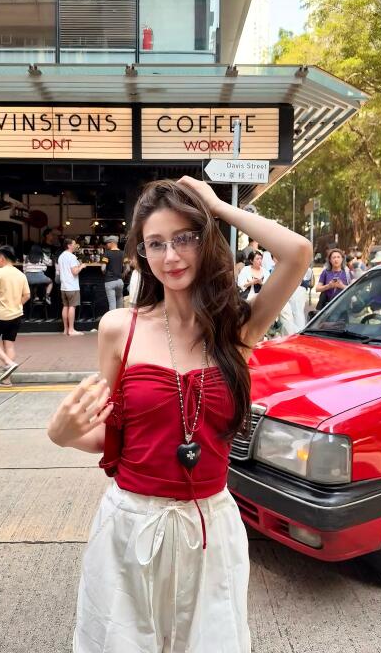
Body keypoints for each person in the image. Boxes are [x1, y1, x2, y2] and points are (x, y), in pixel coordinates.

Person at [47, 176, 312, 653]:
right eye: (156, 243)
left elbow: (297, 252)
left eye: (184, 238)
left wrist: (217, 207)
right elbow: (111, 434)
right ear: (142, 254)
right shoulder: (119, 329)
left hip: (210, 527)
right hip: (131, 523)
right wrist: (63, 435)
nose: (171, 256)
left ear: (205, 240)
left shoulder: (236, 329)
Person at [0, 245, 30, 384]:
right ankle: (6, 380)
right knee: (9, 345)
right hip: (16, 315)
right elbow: (27, 295)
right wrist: (17, 305)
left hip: (1, 314)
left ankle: (9, 363)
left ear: (2, 258)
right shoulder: (20, 274)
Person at [58, 238, 86, 335]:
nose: (75, 245)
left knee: (65, 306)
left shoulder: (61, 256)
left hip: (63, 286)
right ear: (69, 245)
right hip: (72, 286)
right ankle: (71, 330)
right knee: (72, 307)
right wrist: (81, 266)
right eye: (74, 244)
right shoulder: (72, 257)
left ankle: (65, 329)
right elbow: (75, 272)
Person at [102, 235, 125, 311]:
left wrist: (105, 273)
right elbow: (128, 268)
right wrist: (122, 275)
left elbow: (103, 268)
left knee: (112, 304)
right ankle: (120, 317)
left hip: (109, 281)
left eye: (108, 243)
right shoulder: (123, 253)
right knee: (120, 301)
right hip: (120, 281)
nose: (106, 245)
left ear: (112, 243)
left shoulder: (107, 253)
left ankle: (112, 318)